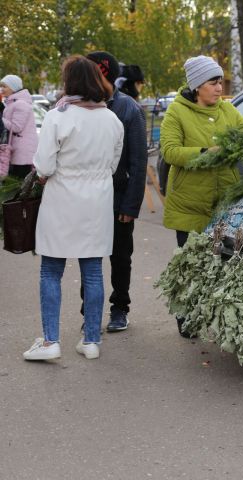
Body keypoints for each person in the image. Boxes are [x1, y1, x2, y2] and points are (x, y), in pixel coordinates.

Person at [23, 55, 124, 361]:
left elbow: (44, 165)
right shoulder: (112, 119)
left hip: (62, 200)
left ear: (70, 82)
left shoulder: (58, 116)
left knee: (51, 270)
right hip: (97, 203)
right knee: (92, 271)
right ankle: (91, 340)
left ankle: (51, 341)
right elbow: (113, 164)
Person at [160, 55, 243, 337]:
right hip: (189, 203)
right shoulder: (177, 112)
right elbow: (170, 151)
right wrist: (203, 154)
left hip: (223, 202)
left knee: (220, 261)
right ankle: (185, 319)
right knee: (190, 265)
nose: (219, 87)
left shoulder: (227, 110)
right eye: (213, 82)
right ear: (198, 85)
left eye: (221, 81)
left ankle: (213, 315)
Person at [86, 51, 148, 332]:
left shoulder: (127, 109)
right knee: (88, 256)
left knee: (120, 257)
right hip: (87, 199)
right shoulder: (79, 107)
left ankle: (119, 307)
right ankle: (89, 308)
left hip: (118, 199)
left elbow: (138, 163)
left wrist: (130, 207)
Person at [0, 74, 39, 179]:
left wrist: (1, 120)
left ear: (13, 87)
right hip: (17, 150)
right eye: (1, 86)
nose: (1, 89)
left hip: (22, 152)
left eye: (4, 86)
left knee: (18, 184)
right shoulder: (13, 103)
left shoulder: (21, 104)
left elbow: (16, 127)